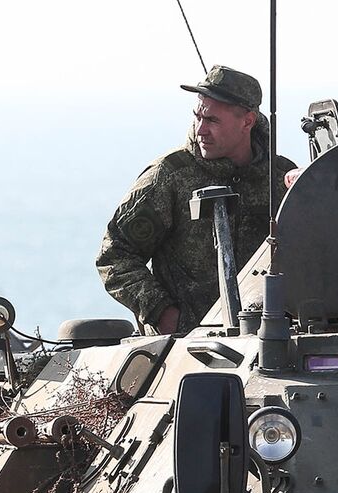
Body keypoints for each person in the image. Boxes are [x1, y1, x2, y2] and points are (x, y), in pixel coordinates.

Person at [97, 65, 296, 334]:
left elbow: (308, 254)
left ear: (247, 122)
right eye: (197, 117)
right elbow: (115, 256)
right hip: (184, 350)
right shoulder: (170, 177)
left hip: (266, 340)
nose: (201, 129)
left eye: (212, 120)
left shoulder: (280, 177)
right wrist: (163, 313)